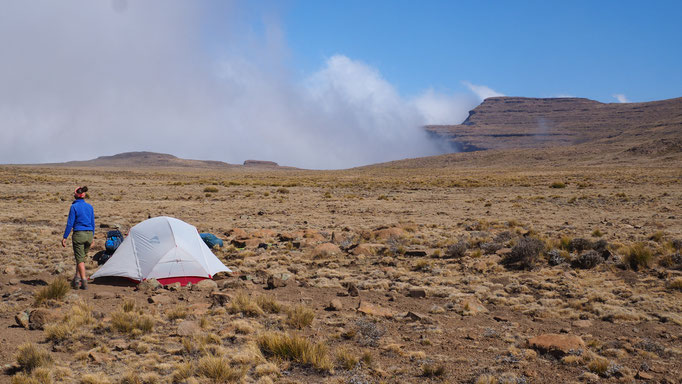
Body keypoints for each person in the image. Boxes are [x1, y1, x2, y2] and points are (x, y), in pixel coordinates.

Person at [61, 186, 95, 289]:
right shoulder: (90, 207)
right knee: (81, 258)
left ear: (75, 195)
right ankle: (76, 279)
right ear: (84, 195)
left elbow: (70, 223)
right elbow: (93, 223)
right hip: (89, 234)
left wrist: (65, 237)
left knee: (80, 259)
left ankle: (84, 281)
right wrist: (92, 237)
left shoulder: (74, 207)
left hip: (79, 235)